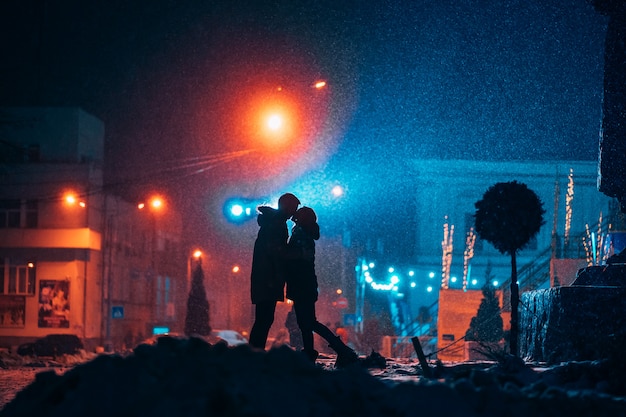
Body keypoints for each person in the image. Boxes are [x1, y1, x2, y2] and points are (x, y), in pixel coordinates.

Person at [285, 206, 360, 367]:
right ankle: (313, 352)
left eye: (298, 214)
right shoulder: (305, 233)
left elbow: (298, 257)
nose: (294, 214)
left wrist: (283, 253)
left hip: (301, 284)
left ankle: (337, 350)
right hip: (305, 284)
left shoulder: (301, 234)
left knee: (308, 323)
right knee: (306, 323)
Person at [248, 193, 301, 350]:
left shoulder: (272, 222)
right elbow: (276, 251)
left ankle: (254, 352)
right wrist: (296, 253)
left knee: (263, 318)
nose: (294, 213)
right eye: (293, 208)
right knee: (264, 318)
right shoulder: (276, 224)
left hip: (265, 277)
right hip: (268, 278)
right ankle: (254, 353)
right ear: (287, 206)